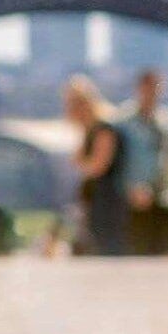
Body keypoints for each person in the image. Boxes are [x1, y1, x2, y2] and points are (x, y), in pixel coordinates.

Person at [119, 68, 168, 257]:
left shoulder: (165, 118)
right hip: (134, 198)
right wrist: (129, 187)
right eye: (148, 87)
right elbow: (117, 160)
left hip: (163, 194)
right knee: (139, 253)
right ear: (139, 88)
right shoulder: (124, 120)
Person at [65, 75, 128, 256]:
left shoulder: (104, 129)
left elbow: (98, 166)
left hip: (109, 203)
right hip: (96, 202)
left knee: (109, 251)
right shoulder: (89, 130)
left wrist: (81, 162)